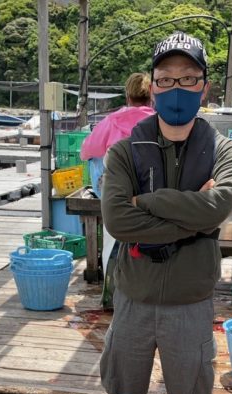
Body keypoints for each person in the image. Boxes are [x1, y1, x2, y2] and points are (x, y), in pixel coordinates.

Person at [100, 31, 232, 394]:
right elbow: (117, 221)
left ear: (204, 88)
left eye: (188, 78)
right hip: (133, 298)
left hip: (192, 302)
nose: (176, 87)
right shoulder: (123, 153)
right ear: (153, 90)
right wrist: (193, 214)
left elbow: (218, 207)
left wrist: (146, 201)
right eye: (166, 79)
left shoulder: (224, 150)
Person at [81, 73, 154, 308]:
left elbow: (87, 151)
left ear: (127, 94)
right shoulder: (160, 121)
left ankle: (112, 296)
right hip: (151, 196)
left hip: (116, 195)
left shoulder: (112, 121)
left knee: (113, 244)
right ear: (152, 95)